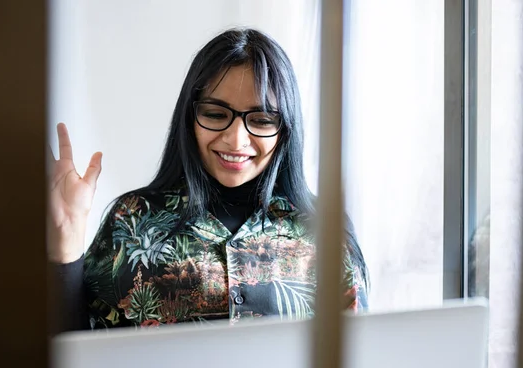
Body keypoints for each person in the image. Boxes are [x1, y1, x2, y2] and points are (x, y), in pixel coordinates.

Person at [49, 28, 369, 332]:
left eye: (260, 119)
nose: (235, 139)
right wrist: (66, 240)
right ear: (190, 117)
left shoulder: (325, 231)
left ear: (285, 129)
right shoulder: (133, 221)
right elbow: (73, 358)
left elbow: (357, 362)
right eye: (216, 114)